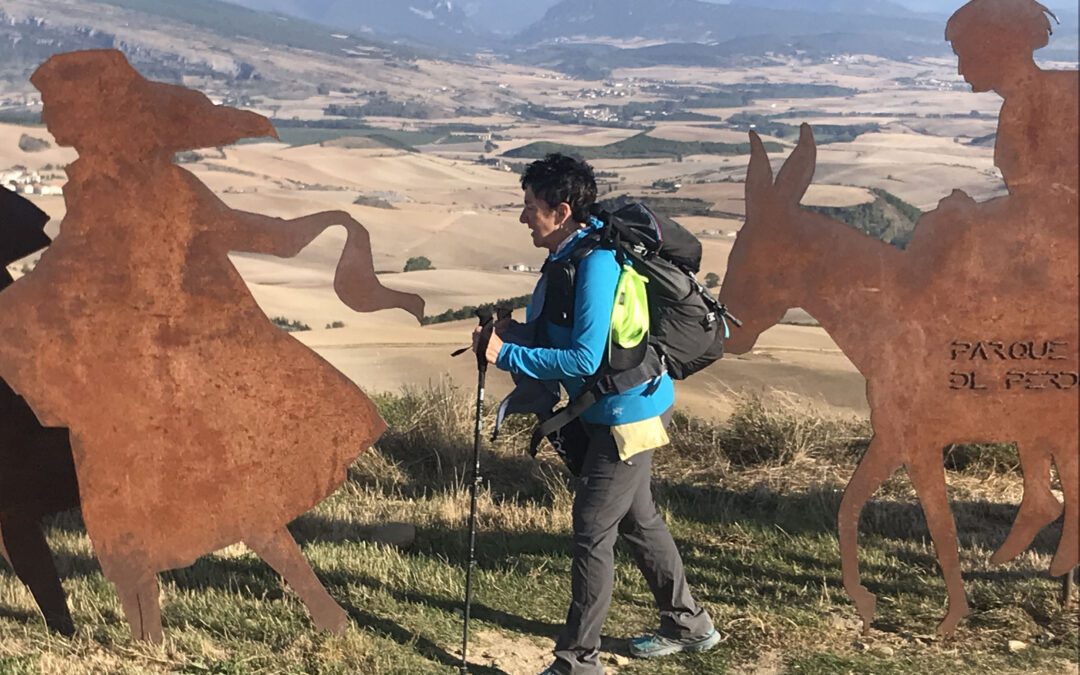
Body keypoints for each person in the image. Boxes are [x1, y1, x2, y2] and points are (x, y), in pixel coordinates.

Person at [473, 154, 718, 674]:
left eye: (530, 207)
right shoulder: (569, 255)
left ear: (561, 210)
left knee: (591, 530)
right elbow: (564, 337)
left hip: (626, 413)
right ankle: (688, 624)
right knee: (637, 519)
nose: (523, 218)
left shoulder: (596, 262)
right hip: (614, 405)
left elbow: (584, 358)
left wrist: (505, 355)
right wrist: (508, 333)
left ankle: (577, 661)